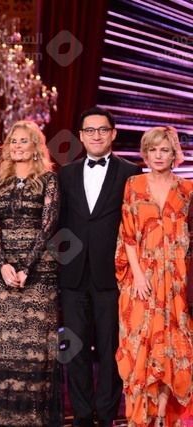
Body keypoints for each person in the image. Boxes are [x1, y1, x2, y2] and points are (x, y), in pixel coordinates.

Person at [58, 106, 142, 427]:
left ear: (113, 133)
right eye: (90, 130)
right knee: (75, 350)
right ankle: (81, 415)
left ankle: (106, 415)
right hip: (73, 277)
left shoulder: (131, 172)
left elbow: (135, 226)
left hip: (114, 276)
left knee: (110, 350)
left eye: (102, 130)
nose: (96, 135)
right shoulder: (66, 173)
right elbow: (59, 224)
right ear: (81, 136)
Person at [0, 121, 60, 426]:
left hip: (39, 273)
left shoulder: (49, 180)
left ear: (36, 146)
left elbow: (48, 225)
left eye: (24, 141)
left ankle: (31, 417)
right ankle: (2, 417)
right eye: (13, 141)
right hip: (3, 273)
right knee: (4, 345)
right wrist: (3, 263)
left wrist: (27, 266)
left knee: (33, 346)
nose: (17, 146)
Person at [115, 126, 193, 426]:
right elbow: (128, 234)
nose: (158, 156)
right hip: (141, 277)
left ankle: (161, 415)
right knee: (139, 343)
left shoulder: (187, 189)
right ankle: (140, 416)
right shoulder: (134, 184)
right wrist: (138, 275)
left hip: (175, 279)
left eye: (164, 150)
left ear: (174, 155)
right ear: (145, 154)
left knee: (172, 345)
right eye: (153, 150)